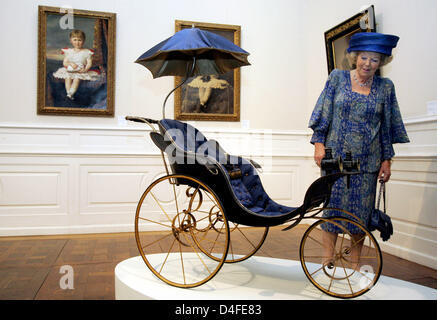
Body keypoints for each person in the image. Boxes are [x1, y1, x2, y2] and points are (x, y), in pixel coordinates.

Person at [308, 32, 410, 269]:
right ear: (355, 57)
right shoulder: (337, 78)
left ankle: (355, 264)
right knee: (333, 209)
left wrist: (387, 161)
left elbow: (386, 126)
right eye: (364, 57)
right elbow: (323, 113)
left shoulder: (385, 87)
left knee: (360, 215)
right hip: (337, 157)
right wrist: (319, 144)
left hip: (368, 162)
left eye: (374, 60)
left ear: (381, 62)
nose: (368, 64)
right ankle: (327, 260)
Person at [53, 29, 100, 100]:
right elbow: (65, 62)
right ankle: (69, 94)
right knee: (67, 78)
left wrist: (85, 69)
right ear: (71, 41)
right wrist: (70, 63)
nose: (77, 42)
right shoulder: (69, 51)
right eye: (75, 40)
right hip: (70, 69)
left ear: (83, 41)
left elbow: (89, 63)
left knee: (76, 79)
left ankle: (71, 93)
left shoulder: (87, 52)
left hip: (80, 70)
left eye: (79, 40)